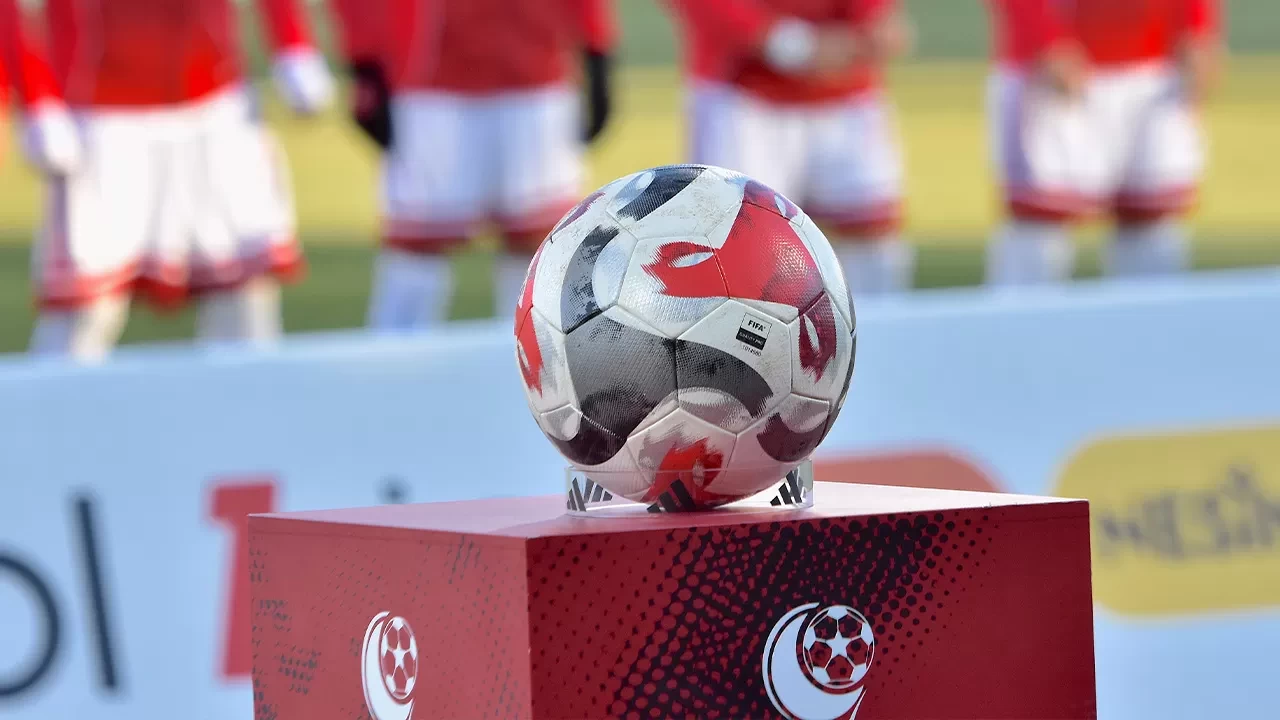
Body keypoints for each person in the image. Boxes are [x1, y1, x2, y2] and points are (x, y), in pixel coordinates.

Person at [0, 0, 333, 362]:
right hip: (102, 124)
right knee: (84, 311)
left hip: (217, 108)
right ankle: (53, 399)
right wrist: (36, 98)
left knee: (244, 303)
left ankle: (251, 398)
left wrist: (293, 44)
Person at [329, 0, 617, 329]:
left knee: (541, 248)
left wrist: (596, 45)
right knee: (417, 245)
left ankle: (537, 361)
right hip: (430, 78)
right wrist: (364, 61)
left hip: (535, 73)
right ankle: (395, 359)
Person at [668, 0, 914, 297]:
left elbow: (881, 29)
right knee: (737, 246)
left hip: (846, 95)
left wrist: (872, 20)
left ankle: (873, 326)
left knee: (873, 246)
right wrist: (788, 43)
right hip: (742, 95)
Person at [985, 0, 1222, 285]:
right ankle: (1022, 316)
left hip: (1155, 68)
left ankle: (1153, 315)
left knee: (1152, 230)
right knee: (1039, 227)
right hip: (1054, 67)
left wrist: (1197, 24)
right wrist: (1043, 36)